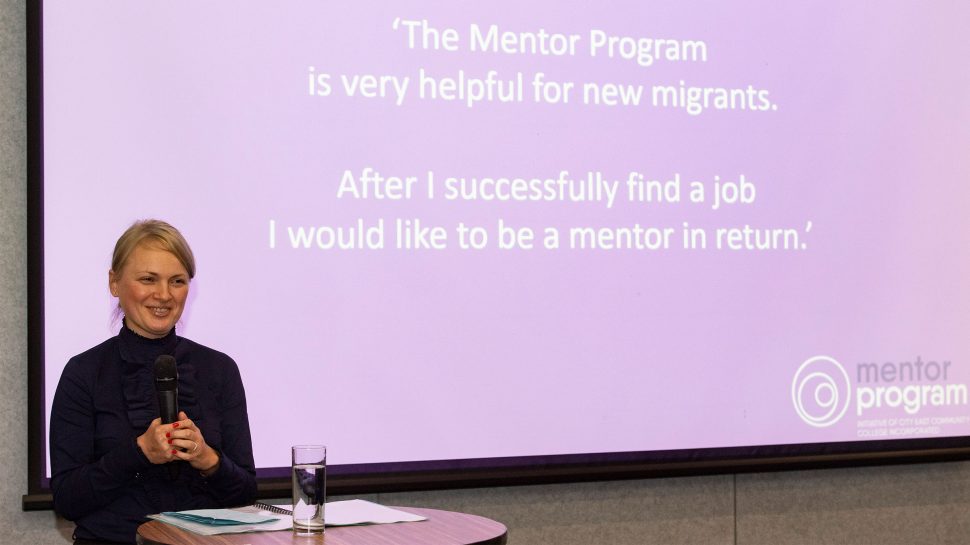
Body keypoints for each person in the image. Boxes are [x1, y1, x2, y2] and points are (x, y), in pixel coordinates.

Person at [50, 220, 257, 544]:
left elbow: (245, 493)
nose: (164, 295)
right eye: (148, 279)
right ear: (114, 283)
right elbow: (67, 500)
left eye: (177, 281)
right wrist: (140, 452)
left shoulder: (220, 369)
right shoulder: (84, 373)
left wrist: (208, 459)